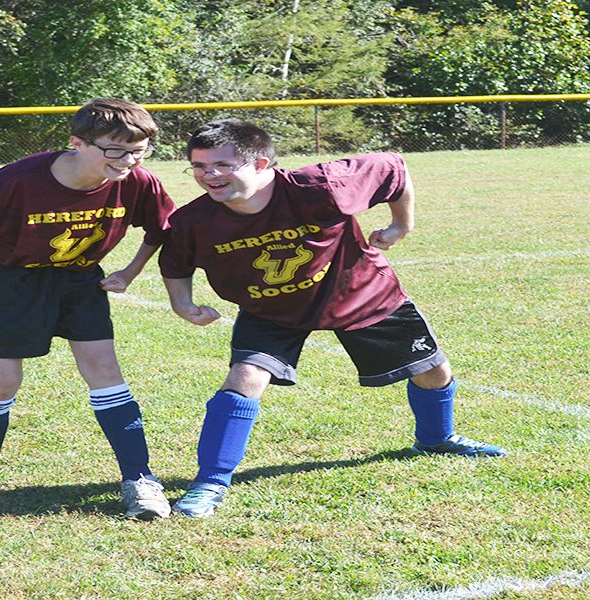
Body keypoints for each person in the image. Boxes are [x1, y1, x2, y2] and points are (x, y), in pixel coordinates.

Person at [159, 118, 507, 518]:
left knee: (432, 372)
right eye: (199, 167)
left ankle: (436, 438)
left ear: (260, 164)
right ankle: (210, 482)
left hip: (359, 293)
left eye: (221, 165)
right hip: (271, 310)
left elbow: (393, 167)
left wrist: (401, 225)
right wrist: (182, 303)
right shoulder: (195, 221)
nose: (209, 175)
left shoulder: (322, 187)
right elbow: (176, 263)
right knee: (245, 378)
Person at [0, 98, 176, 519]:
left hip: (78, 277)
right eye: (115, 149)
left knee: (105, 371)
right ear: (77, 143)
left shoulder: (137, 180)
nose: (129, 160)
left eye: (139, 150)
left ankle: (140, 479)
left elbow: (162, 227)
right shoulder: (18, 181)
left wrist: (131, 271)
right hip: (6, 279)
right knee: (3, 381)